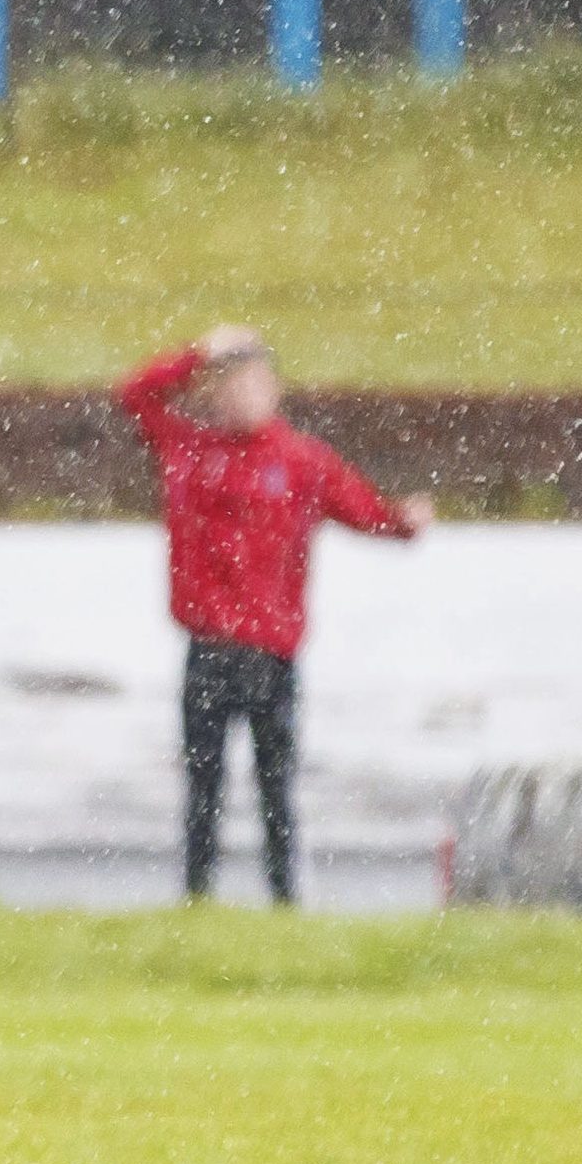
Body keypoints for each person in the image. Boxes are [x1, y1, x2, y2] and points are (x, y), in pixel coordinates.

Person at [116, 327, 429, 905]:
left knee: (276, 789)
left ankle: (284, 902)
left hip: (271, 653)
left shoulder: (301, 461)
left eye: (254, 384)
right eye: (229, 385)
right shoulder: (189, 450)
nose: (242, 398)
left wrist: (402, 522)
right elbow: (133, 395)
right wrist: (198, 353)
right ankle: (197, 901)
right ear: (211, 392)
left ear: (275, 390)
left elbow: (364, 511)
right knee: (202, 788)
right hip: (208, 649)